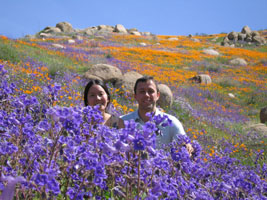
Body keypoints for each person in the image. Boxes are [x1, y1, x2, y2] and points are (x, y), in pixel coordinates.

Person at [121, 76, 194, 154]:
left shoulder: (173, 122)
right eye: (142, 91)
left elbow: (184, 143)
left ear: (158, 95)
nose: (146, 95)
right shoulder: (122, 121)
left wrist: (186, 146)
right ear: (135, 96)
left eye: (150, 91)